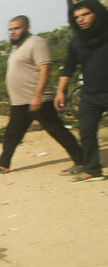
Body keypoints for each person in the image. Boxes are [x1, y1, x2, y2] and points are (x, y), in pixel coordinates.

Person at [0, 15, 84, 176]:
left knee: (57, 131)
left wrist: (37, 96)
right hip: (21, 102)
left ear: (27, 28)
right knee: (12, 134)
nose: (13, 32)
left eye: (17, 28)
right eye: (10, 29)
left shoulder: (37, 43)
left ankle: (82, 161)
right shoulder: (17, 47)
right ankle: (3, 164)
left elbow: (45, 69)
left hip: (39, 99)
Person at [55, 0, 108, 183]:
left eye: (85, 14)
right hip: (90, 94)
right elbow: (68, 67)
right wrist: (61, 91)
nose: (81, 20)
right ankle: (92, 170)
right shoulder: (77, 41)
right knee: (86, 131)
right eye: (76, 17)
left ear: (97, 13)